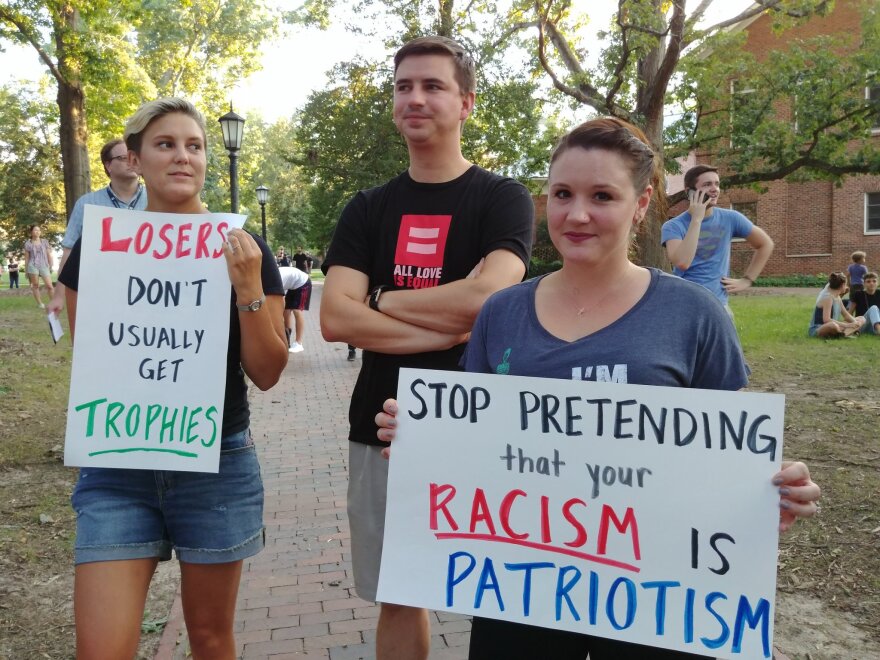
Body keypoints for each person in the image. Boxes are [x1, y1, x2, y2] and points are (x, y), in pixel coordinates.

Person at [375, 118, 821, 660]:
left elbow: (727, 454)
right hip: (523, 592)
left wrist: (770, 491)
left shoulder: (694, 315)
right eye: (562, 194)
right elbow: (471, 446)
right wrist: (420, 436)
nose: (576, 213)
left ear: (642, 203)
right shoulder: (502, 312)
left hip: (656, 598)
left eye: (602, 195)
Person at [320, 35, 534, 660]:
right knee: (400, 591)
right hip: (382, 424)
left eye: (433, 86)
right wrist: (450, 317)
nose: (415, 98)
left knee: (502, 592)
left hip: (480, 425)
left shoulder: (502, 198)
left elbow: (489, 298)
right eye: (403, 86)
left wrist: (380, 300)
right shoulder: (367, 208)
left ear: (466, 103)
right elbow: (335, 317)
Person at [58, 97, 288, 659]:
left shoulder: (244, 249)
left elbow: (267, 371)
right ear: (134, 159)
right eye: (165, 145)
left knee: (210, 638)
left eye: (195, 145)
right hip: (119, 465)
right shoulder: (102, 247)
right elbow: (94, 355)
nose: (182, 157)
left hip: (216, 464)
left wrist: (247, 290)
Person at [48, 138, 147, 314]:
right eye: (124, 158)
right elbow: (69, 252)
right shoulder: (87, 204)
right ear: (108, 165)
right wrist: (58, 296)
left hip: (148, 292)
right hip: (103, 294)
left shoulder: (158, 200)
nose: (131, 161)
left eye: (135, 156)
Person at [661, 164, 774, 313]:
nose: (715, 189)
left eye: (717, 184)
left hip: (718, 306)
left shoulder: (731, 218)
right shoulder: (673, 226)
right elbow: (682, 262)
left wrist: (747, 279)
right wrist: (696, 220)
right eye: (707, 184)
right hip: (683, 306)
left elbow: (765, 244)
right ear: (689, 192)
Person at [808, 272, 865, 338]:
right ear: (842, 285)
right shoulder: (828, 298)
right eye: (846, 285)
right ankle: (846, 332)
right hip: (819, 328)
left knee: (862, 319)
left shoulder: (837, 297)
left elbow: (846, 315)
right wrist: (847, 325)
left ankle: (843, 334)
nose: (846, 287)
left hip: (836, 326)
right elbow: (826, 320)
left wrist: (855, 323)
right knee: (833, 326)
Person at [279, 265, 312, 352]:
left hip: (303, 283)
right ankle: (287, 340)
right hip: (292, 286)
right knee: (286, 311)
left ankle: (299, 343)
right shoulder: (271, 278)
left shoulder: (275, 279)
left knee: (297, 310)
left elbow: (280, 299)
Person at [23, 225, 54, 308]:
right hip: (32, 265)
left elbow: (48, 254)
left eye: (39, 230)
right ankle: (40, 304)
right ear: (31, 232)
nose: (38, 232)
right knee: (35, 285)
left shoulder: (44, 241)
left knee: (49, 286)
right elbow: (26, 258)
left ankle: (53, 303)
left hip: (44, 264)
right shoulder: (28, 243)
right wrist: (26, 271)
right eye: (36, 230)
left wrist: (51, 264)